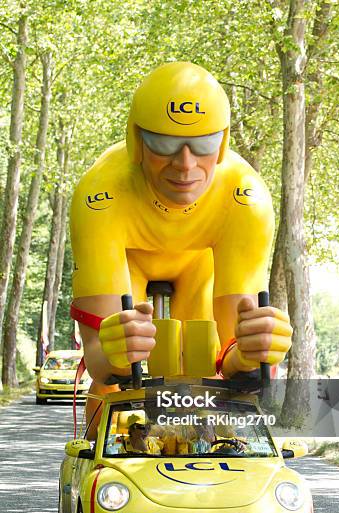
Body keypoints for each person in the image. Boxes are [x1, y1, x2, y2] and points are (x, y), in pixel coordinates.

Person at [70, 62, 293, 438]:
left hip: (199, 264)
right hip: (128, 263)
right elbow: (98, 358)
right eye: (164, 144)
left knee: (202, 366)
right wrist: (116, 355)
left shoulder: (246, 199)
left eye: (203, 145)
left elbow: (231, 358)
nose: (185, 165)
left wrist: (254, 351)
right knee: (116, 377)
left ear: (222, 145)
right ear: (136, 141)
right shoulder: (98, 194)